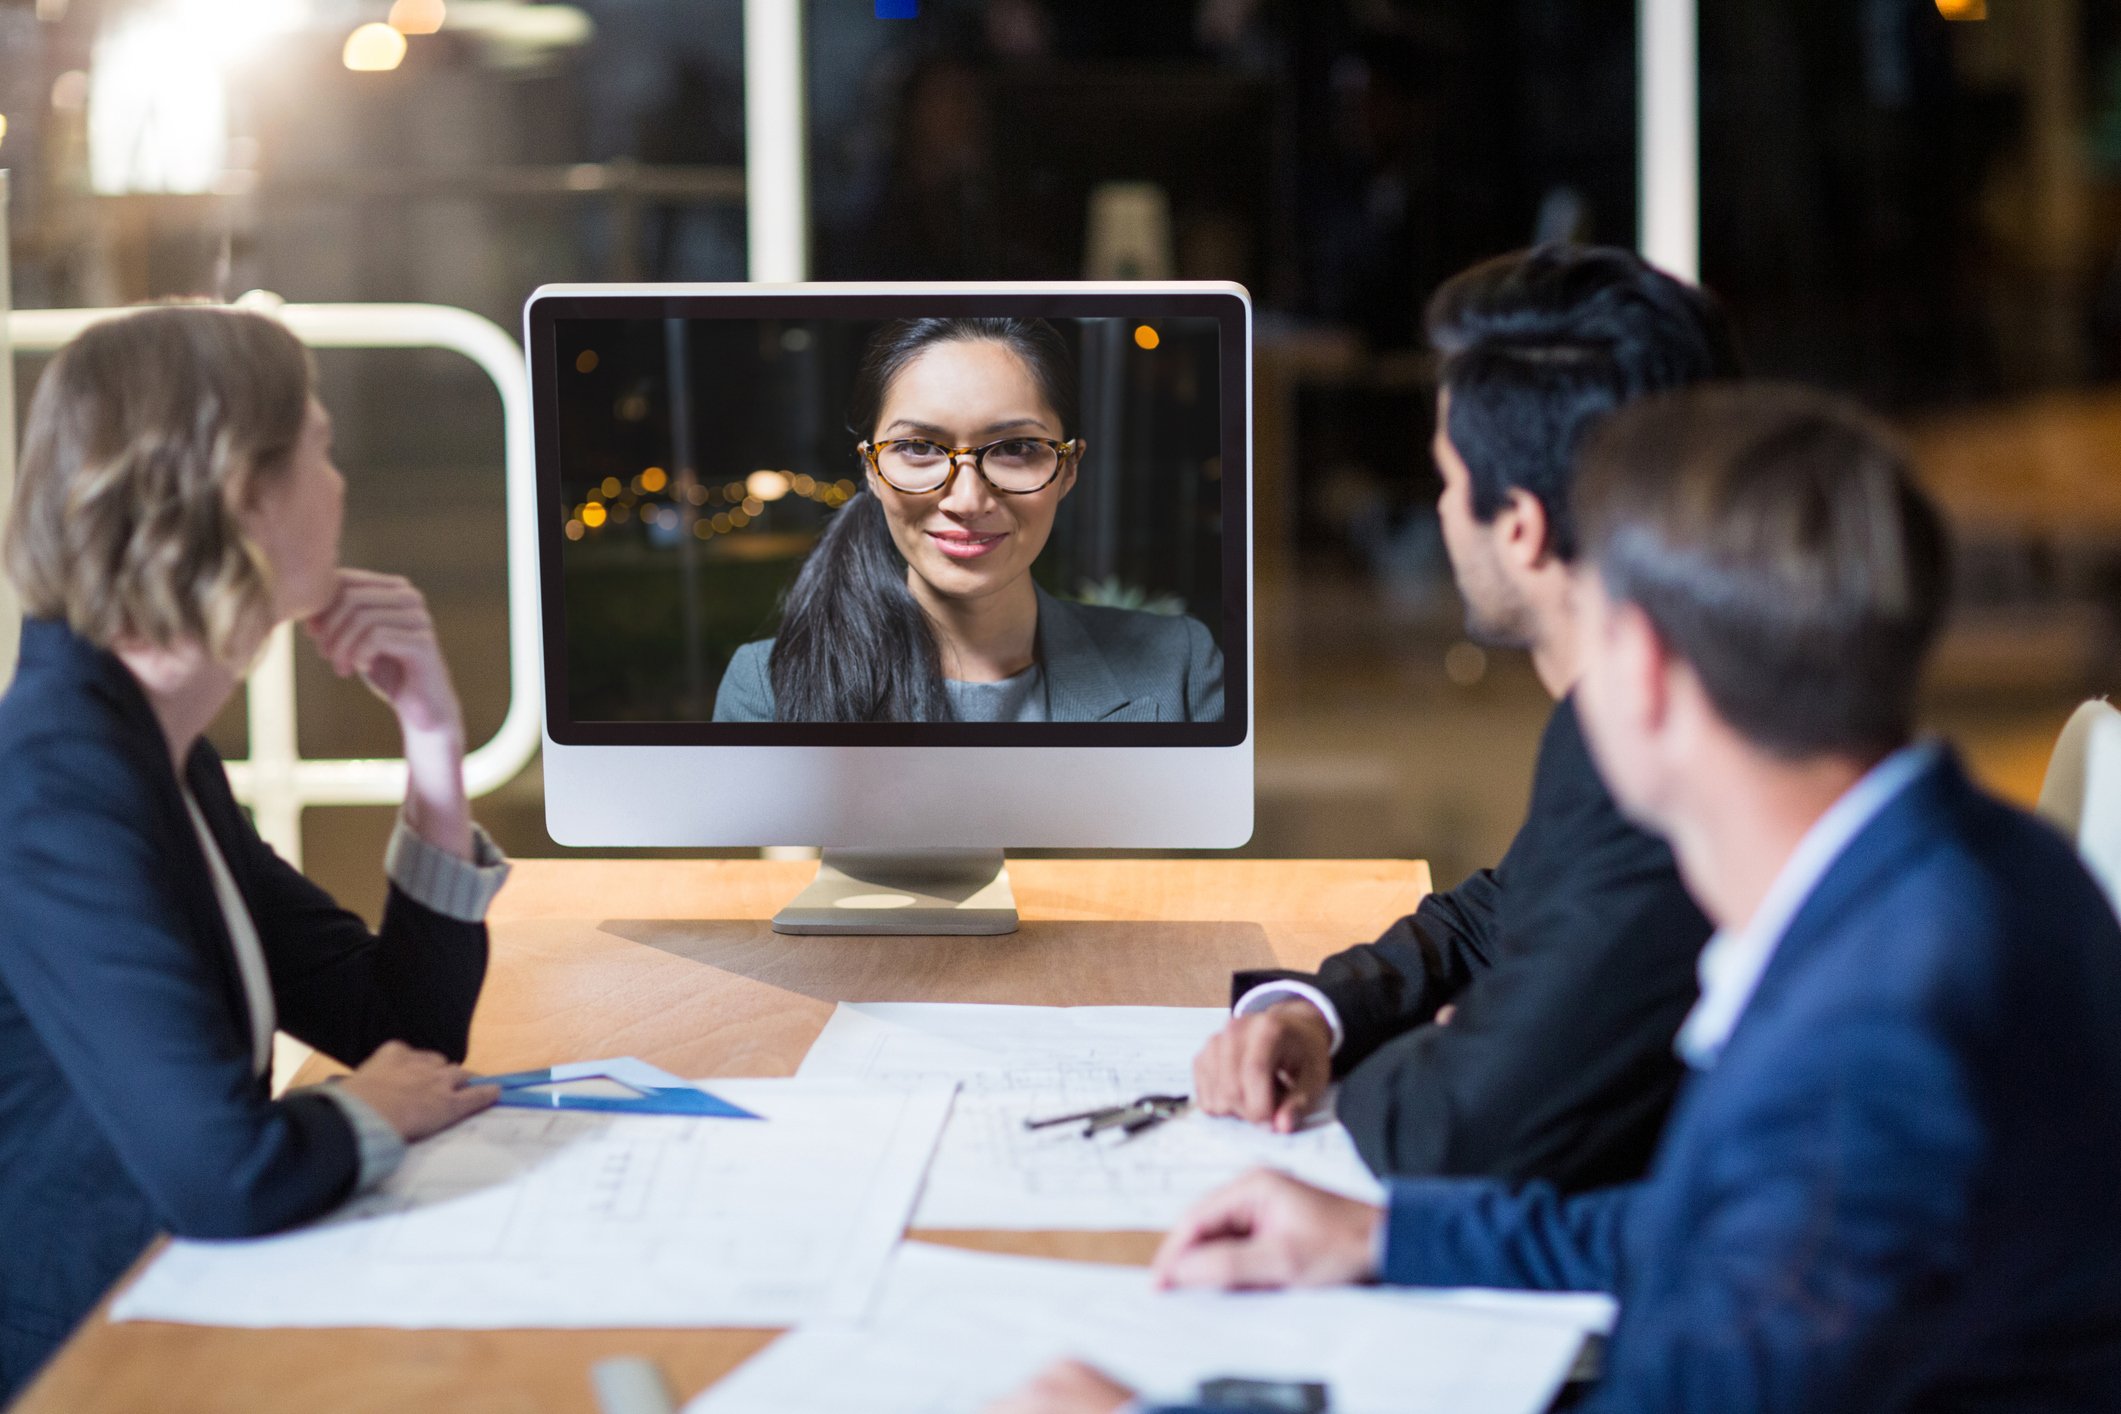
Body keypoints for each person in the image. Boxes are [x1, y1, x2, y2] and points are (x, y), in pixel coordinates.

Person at [1003, 384, 2121, 1413]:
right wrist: (1393, 1237)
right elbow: (1714, 1239)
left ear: (1638, 671)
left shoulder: (1872, 1041)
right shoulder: (1983, 865)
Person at [0, 306, 510, 1394]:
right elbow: (224, 1174)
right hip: (87, 1364)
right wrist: (365, 1107)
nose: (338, 482)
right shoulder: (57, 784)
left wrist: (432, 738)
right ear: (244, 496)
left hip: (185, 1309)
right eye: (319, 449)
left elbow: (403, 1033)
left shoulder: (156, 755)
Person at [1193, 245, 1733, 1191]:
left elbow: (1453, 1133)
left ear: (1518, 528)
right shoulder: (1645, 702)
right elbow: (1504, 911)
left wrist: (1444, 1053)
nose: (1440, 511)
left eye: (1445, 481)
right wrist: (1317, 1014)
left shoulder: (1668, 774)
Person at [711, 317, 1223, 724]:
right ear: (871, 468)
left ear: (1068, 470)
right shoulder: (767, 684)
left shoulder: (1178, 664)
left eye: (1016, 448)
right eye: (917, 448)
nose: (967, 499)